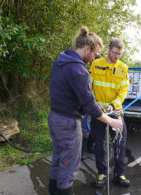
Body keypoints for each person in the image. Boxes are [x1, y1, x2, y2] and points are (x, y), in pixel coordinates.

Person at [48, 27, 123, 195]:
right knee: (68, 169)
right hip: (68, 124)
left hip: (55, 118)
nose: (94, 58)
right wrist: (111, 121)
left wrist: (92, 105)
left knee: (58, 161)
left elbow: (71, 93)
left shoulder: (61, 60)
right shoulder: (78, 70)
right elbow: (89, 104)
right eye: (95, 53)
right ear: (87, 49)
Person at [89, 38, 130, 187]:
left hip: (116, 112)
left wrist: (114, 105)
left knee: (120, 143)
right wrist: (93, 102)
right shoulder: (95, 64)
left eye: (120, 54)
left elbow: (124, 90)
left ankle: (119, 175)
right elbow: (88, 86)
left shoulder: (123, 68)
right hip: (98, 112)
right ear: (108, 49)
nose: (117, 56)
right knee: (99, 144)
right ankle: (101, 174)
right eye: (114, 53)